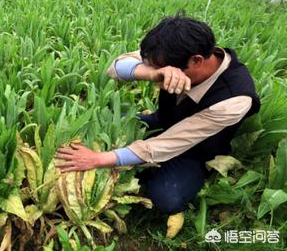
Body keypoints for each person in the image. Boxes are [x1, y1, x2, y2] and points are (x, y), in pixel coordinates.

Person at [55, 15, 261, 238]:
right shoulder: (174, 48)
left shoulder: (235, 98)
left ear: (196, 61)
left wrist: (99, 159)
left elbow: (171, 142)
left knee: (166, 196)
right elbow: (114, 68)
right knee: (100, 119)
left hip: (194, 149)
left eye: (161, 68)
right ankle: (135, 163)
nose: (158, 75)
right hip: (164, 120)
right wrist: (151, 72)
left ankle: (159, 174)